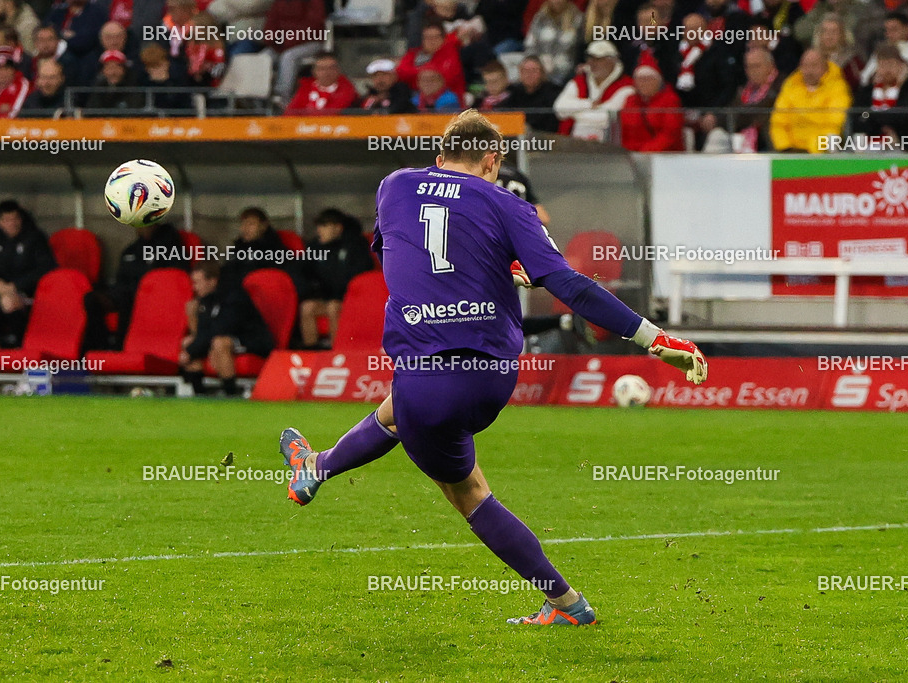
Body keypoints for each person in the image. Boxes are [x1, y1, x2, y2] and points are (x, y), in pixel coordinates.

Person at [278, 109, 708, 626]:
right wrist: (654, 337)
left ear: (440, 158)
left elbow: (404, 252)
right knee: (396, 413)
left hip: (427, 371)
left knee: (469, 493)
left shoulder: (394, 187)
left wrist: (488, 266)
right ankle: (317, 467)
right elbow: (571, 285)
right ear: (493, 161)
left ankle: (567, 603)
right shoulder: (510, 204)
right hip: (492, 376)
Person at [0, 200, 56, 350]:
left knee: (8, 301)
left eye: (15, 219)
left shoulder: (34, 238)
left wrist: (16, 286)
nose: (12, 224)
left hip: (27, 293)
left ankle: (20, 347)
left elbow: (45, 268)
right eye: (7, 220)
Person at [82, 222, 186, 351]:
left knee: (127, 299)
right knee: (91, 299)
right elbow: (119, 280)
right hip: (121, 294)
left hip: (149, 298)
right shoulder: (131, 250)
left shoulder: (170, 247)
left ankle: (120, 348)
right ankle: (98, 348)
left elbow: (176, 278)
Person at [180, 262, 274, 397]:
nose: (194, 288)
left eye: (197, 283)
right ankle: (199, 395)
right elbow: (201, 333)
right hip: (225, 338)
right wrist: (193, 316)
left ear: (212, 281)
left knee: (219, 343)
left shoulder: (233, 296)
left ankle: (230, 394)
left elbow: (221, 329)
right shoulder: (205, 301)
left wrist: (191, 352)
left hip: (252, 341)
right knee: (188, 342)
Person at [298, 208, 375, 348]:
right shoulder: (315, 247)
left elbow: (361, 275)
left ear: (338, 228)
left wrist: (337, 294)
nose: (319, 231)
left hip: (351, 300)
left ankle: (338, 353)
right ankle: (311, 354)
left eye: (324, 226)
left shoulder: (356, 245)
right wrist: (314, 291)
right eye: (318, 226)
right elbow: (303, 272)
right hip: (326, 299)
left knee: (333, 307)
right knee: (307, 307)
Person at [700, 46, 781, 152]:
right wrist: (716, 118)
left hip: (766, 140)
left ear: (770, 66)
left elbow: (754, 113)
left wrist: (718, 120)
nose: (752, 71)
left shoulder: (779, 85)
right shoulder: (745, 89)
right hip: (740, 137)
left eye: (756, 66)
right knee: (716, 136)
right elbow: (733, 110)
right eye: (748, 67)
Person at [770, 48, 852, 152]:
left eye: (814, 65)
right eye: (805, 66)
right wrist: (785, 148)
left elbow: (834, 125)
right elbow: (778, 122)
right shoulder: (790, 85)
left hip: (821, 154)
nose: (809, 71)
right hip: (790, 152)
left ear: (825, 66)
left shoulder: (838, 88)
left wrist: (812, 150)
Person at [554, 40, 635, 139]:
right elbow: (559, 108)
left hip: (608, 147)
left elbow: (607, 118)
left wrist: (574, 114)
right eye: (590, 58)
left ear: (612, 60)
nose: (592, 63)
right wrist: (589, 104)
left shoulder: (627, 86)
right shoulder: (579, 81)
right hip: (572, 144)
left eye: (599, 59)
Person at [262, 0, 327, 100]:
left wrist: (290, 40)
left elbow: (315, 24)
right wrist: (271, 39)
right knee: (264, 56)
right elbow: (271, 22)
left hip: (311, 41)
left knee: (288, 56)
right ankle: (258, 96)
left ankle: (282, 96)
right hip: (284, 43)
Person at [619, 55, 684, 151]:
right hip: (632, 154)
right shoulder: (631, 100)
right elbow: (624, 130)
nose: (643, 83)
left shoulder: (670, 100)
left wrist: (646, 151)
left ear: (658, 81)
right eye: (640, 79)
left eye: (648, 79)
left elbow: (670, 134)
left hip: (663, 155)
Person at [850, 44, 908, 141]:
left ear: (901, 66)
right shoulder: (867, 91)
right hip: (870, 144)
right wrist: (880, 122)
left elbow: (903, 117)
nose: (887, 70)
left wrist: (873, 117)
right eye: (882, 65)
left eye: (891, 65)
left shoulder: (907, 90)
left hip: (901, 146)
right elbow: (860, 118)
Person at [396, 22, 466, 99]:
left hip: (448, 98)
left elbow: (446, 77)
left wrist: (414, 76)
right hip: (416, 96)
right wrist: (424, 72)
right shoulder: (413, 53)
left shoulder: (450, 52)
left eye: (436, 37)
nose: (432, 41)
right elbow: (401, 72)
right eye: (427, 37)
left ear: (443, 39)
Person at [524, 0, 583, 85]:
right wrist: (537, 69)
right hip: (539, 72)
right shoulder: (540, 17)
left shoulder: (578, 19)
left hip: (566, 73)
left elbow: (579, 49)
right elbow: (530, 45)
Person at [501, 55, 563, 132]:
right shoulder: (514, 91)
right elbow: (502, 112)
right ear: (520, 73)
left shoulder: (553, 92)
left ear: (542, 73)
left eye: (534, 71)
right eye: (525, 71)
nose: (529, 74)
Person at [283, 51, 357, 114]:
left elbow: (334, 112)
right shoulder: (305, 88)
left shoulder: (346, 89)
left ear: (338, 70)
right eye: (322, 69)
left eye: (331, 68)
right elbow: (291, 112)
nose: (327, 72)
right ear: (314, 71)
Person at [813, 12, 864, 92]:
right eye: (825, 31)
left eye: (834, 31)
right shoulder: (810, 59)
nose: (829, 35)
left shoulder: (852, 62)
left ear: (842, 35)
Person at [860, 12, 908, 86]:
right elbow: (865, 77)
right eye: (887, 30)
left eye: (894, 29)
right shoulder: (883, 50)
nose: (889, 34)